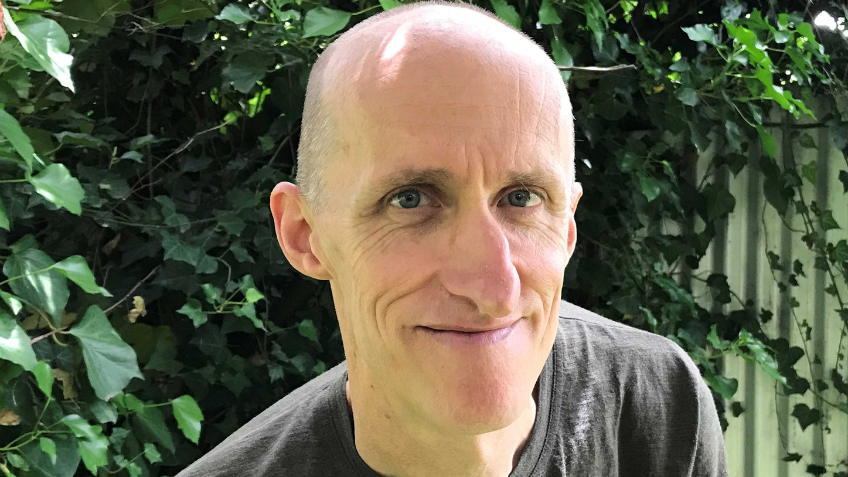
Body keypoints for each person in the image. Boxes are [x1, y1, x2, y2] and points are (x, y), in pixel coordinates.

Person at [177, 1, 730, 476]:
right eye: (411, 199)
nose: (493, 287)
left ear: (566, 229)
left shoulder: (656, 405)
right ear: (304, 233)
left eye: (521, 198)